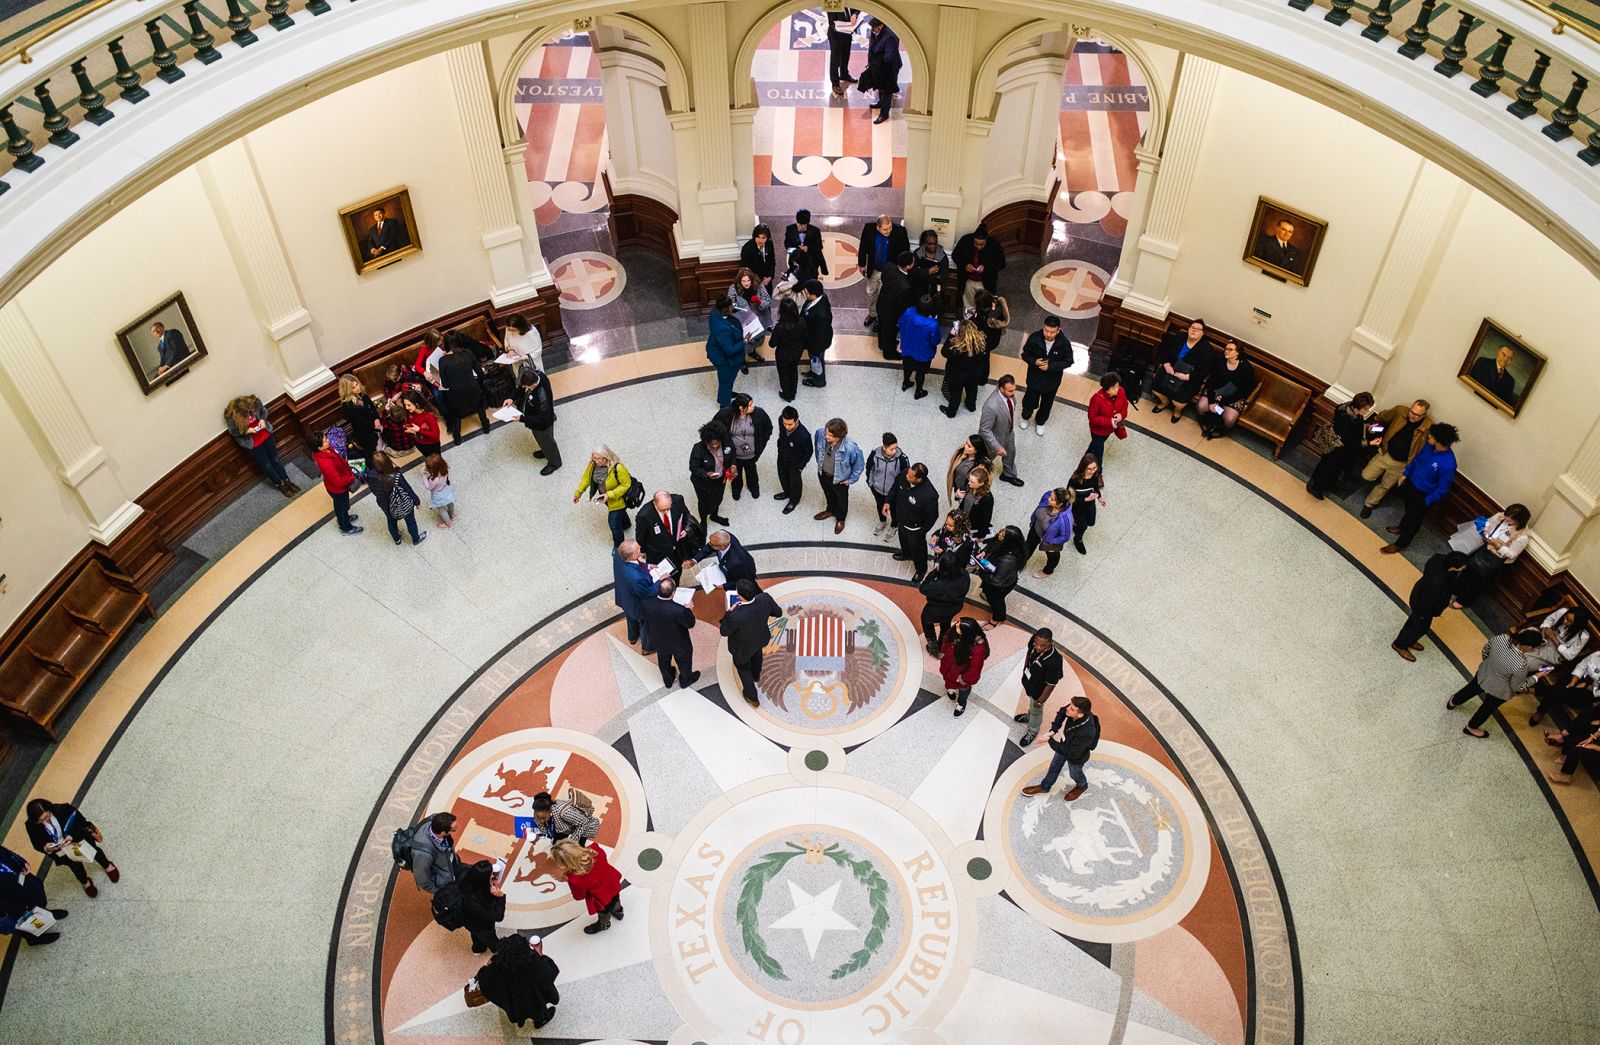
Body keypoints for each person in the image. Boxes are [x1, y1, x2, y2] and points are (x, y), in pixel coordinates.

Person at [1447, 628, 1543, 738]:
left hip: (1484, 674)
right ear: (1529, 647)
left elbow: (1485, 650)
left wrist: (1490, 665)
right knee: (1487, 707)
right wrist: (1536, 677)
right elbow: (1517, 686)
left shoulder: (1502, 638)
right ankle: (1471, 727)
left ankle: (1453, 701)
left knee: (1471, 689)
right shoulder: (1521, 665)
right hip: (1500, 690)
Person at [1380, 424, 1459, 554]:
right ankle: (1401, 527)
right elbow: (1417, 460)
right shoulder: (1429, 446)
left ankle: (1401, 544)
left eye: (1432, 436)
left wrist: (1426, 501)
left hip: (1423, 495)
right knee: (1408, 511)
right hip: (1411, 485)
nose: (1429, 436)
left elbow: (1442, 488)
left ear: (1439, 441)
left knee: (1414, 520)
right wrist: (1405, 474)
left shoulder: (1448, 464)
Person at [25, 798, 120, 897]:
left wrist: (72, 836)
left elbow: (81, 821)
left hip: (78, 838)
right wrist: (46, 848)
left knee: (94, 852)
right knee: (75, 866)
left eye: (47, 816)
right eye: (41, 820)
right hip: (61, 850)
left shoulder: (63, 809)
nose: (46, 820)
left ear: (49, 809)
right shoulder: (31, 825)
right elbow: (36, 844)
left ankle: (107, 865)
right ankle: (85, 882)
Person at [1358, 399, 1433, 517]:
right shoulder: (1400, 411)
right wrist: (1373, 426)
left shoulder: (1428, 427)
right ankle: (1377, 479)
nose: (1412, 416)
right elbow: (1382, 418)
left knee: (1385, 486)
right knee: (1366, 475)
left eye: (1417, 415)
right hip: (1385, 453)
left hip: (1401, 464)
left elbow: (1428, 449)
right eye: (1411, 412)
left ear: (1424, 415)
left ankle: (1369, 504)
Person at [472, 933, 560, 1032]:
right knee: (539, 1012)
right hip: (536, 998)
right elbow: (552, 971)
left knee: (522, 1012)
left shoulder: (495, 969)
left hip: (515, 1004)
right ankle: (540, 1021)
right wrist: (540, 953)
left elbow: (484, 979)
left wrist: (489, 965)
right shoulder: (535, 964)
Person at [1391, 551, 1470, 661]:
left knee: (1414, 622)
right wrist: (1429, 613)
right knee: (1420, 628)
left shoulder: (1438, 558)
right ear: (1453, 567)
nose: (1464, 568)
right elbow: (1427, 602)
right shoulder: (1437, 584)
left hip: (1419, 594)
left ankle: (1407, 639)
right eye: (1462, 567)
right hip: (1423, 607)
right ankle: (1400, 645)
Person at [1021, 696, 1100, 801]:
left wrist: (1049, 740)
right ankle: (1045, 786)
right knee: (1054, 766)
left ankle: (1082, 786)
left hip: (1076, 755)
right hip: (1066, 743)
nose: (1068, 708)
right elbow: (1062, 712)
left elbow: (1072, 753)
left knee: (1075, 773)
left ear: (1080, 715)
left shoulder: (1087, 732)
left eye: (1071, 709)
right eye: (1070, 705)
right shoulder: (1074, 709)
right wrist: (1053, 730)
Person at [720, 578, 782, 707]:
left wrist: (728, 612)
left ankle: (752, 696)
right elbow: (778, 612)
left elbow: (724, 631)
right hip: (760, 638)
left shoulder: (735, 615)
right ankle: (756, 676)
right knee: (757, 654)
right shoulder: (765, 598)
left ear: (739, 596)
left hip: (742, 648)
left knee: (743, 668)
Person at [1454, 504, 1532, 605]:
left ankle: (1464, 600)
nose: (1506, 520)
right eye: (1506, 517)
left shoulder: (1523, 536)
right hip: (1485, 548)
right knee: (1469, 568)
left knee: (1478, 580)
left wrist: (1497, 545)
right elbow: (1488, 523)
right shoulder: (1502, 517)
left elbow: (1512, 554)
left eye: (1510, 520)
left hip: (1496, 558)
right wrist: (1485, 529)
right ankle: (1457, 588)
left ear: (1519, 521)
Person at [224, 394, 299, 496]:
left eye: (249, 412)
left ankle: (286, 480)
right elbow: (233, 432)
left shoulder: (255, 402)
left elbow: (264, 411)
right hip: (253, 444)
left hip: (266, 436)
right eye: (245, 414)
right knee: (267, 465)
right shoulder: (232, 416)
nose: (249, 415)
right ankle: (280, 484)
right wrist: (246, 430)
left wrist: (263, 420)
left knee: (275, 460)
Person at [1307, 391, 1377, 499]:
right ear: (1357, 408)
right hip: (1337, 448)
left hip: (1343, 449)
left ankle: (1328, 485)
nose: (1367, 411)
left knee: (1335, 469)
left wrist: (1367, 428)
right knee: (1328, 468)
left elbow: (1357, 426)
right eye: (1366, 409)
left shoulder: (1351, 410)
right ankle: (1316, 488)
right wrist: (1369, 443)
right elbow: (1349, 440)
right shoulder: (1344, 417)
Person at [551, 838, 624, 934]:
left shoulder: (574, 879)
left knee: (604, 912)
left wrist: (566, 879)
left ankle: (604, 924)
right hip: (613, 884)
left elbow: (579, 896)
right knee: (616, 899)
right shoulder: (596, 849)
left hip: (601, 897)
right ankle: (618, 911)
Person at [0, 845, 67, 946]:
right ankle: (33, 938)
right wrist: (12, 907)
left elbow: (6, 853)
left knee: (35, 897)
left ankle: (43, 914)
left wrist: (22, 862)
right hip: (4, 907)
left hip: (19, 882)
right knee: (17, 923)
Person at [1149, 319, 1213, 422]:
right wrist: (1166, 364)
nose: (1194, 331)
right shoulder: (1179, 337)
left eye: (1198, 329)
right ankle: (1164, 402)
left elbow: (1205, 371)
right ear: (1189, 329)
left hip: (1189, 377)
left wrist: (1187, 377)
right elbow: (1164, 350)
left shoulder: (1206, 349)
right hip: (1170, 369)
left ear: (1202, 333)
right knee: (1156, 388)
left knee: (1179, 401)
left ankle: (1177, 410)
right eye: (1192, 328)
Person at [1011, 628, 1066, 746]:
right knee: (1031, 704)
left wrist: (1040, 701)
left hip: (1039, 691)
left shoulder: (1054, 661)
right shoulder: (1033, 642)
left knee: (1036, 710)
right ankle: (1029, 716)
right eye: (1037, 643)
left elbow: (1051, 685)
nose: (1039, 647)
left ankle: (1033, 730)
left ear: (1050, 643)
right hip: (1030, 682)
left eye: (1043, 645)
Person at [640, 579, 699, 689]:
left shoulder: (646, 603)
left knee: (663, 661)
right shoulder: (680, 610)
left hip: (659, 640)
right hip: (679, 643)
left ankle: (668, 680)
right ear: (673, 593)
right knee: (684, 661)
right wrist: (688, 609)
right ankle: (686, 680)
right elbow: (690, 623)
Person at [713, 393, 772, 501]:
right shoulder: (725, 414)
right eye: (749, 405)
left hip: (752, 454)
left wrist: (762, 441)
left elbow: (768, 427)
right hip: (734, 456)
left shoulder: (759, 413)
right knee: (735, 473)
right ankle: (736, 489)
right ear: (741, 407)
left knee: (752, 472)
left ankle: (754, 487)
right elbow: (714, 428)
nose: (753, 406)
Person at [1018, 316, 1072, 434]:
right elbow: (1025, 354)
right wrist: (1034, 362)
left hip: (1052, 380)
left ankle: (1040, 421)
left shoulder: (1064, 343)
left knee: (1047, 403)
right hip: (1034, 377)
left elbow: (1068, 361)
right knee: (1029, 400)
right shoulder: (1034, 338)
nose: (1048, 334)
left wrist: (1050, 367)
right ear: (1043, 327)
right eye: (1046, 330)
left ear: (1058, 330)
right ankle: (1025, 417)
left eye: (1052, 332)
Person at [1194, 340, 1257, 439]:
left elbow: (1245, 390)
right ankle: (1205, 423)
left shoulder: (1246, 368)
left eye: (1230, 349)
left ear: (1238, 352)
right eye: (1226, 349)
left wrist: (1220, 403)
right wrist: (1211, 402)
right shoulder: (1219, 361)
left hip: (1233, 397)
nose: (1226, 351)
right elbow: (1211, 382)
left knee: (1229, 418)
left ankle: (1221, 431)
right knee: (1201, 406)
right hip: (1215, 391)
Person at [573, 446, 634, 547]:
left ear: (606, 457)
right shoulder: (592, 465)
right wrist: (578, 493)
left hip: (618, 500)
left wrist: (609, 495)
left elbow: (626, 484)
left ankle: (619, 546)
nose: (596, 461)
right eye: (594, 458)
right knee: (620, 516)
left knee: (613, 525)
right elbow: (586, 479)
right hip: (606, 499)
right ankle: (626, 524)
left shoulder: (618, 468)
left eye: (599, 458)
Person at [888, 462, 939, 582]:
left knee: (918, 550)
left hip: (915, 529)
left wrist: (922, 531)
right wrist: (888, 501)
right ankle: (906, 554)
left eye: (911, 476)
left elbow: (932, 516)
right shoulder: (905, 473)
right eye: (908, 473)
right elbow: (895, 487)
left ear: (919, 479)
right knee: (903, 540)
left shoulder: (929, 495)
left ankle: (921, 570)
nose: (907, 476)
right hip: (902, 520)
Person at [813, 417, 864, 534]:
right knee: (828, 493)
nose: (826, 437)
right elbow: (817, 448)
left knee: (842, 500)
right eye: (826, 433)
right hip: (823, 474)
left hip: (841, 480)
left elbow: (859, 466)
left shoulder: (851, 448)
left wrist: (850, 481)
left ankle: (841, 518)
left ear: (839, 436)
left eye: (830, 435)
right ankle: (830, 510)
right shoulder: (820, 433)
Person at [506, 368, 561, 475]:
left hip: (543, 424)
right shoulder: (534, 374)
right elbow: (521, 388)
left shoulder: (542, 396)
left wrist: (521, 418)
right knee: (544, 441)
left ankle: (555, 463)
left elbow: (541, 418)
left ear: (534, 384)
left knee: (547, 441)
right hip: (536, 418)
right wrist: (511, 399)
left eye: (527, 387)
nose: (525, 388)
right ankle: (546, 451)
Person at [365, 451, 427, 546]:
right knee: (410, 521)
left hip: (384, 504)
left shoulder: (370, 475)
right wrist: (416, 501)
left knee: (391, 521)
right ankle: (416, 539)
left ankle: (397, 539)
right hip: (402, 502)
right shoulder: (396, 476)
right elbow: (408, 489)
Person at [858, 215, 910, 328]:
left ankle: (880, 318)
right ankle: (873, 314)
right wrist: (861, 264)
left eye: (890, 227)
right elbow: (863, 246)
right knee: (871, 293)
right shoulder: (869, 229)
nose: (889, 231)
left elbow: (905, 251)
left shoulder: (900, 232)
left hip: (889, 272)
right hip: (874, 269)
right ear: (878, 228)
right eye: (885, 229)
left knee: (884, 297)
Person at [438, 335, 490, 444]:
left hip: (456, 394)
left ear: (446, 344)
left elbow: (446, 384)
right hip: (472, 388)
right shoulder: (468, 353)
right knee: (480, 407)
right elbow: (480, 373)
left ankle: (457, 437)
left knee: (456, 415)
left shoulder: (443, 360)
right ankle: (485, 426)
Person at [311, 429, 363, 536]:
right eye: (325, 441)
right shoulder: (326, 464)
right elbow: (338, 482)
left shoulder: (326, 451)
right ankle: (345, 527)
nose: (328, 441)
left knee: (342, 506)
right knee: (341, 508)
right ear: (320, 448)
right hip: (338, 489)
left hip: (339, 483)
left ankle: (345, 519)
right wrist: (351, 479)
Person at [939, 315, 991, 417]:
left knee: (956, 393)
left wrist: (951, 335)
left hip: (956, 375)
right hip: (974, 373)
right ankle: (971, 406)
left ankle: (951, 412)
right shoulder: (982, 342)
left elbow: (944, 352)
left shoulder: (956, 347)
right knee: (972, 389)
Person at [918, 557, 969, 656]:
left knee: (926, 621)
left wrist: (933, 573)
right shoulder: (964, 575)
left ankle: (933, 647)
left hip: (935, 609)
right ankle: (943, 645)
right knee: (945, 623)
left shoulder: (937, 585)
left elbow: (923, 588)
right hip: (955, 607)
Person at [979, 376, 1024, 487]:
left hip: (1008, 433)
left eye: (1014, 389)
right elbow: (985, 429)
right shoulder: (991, 405)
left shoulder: (1011, 397)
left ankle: (1008, 475)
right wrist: (997, 447)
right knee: (985, 461)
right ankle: (980, 480)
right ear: (1001, 389)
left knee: (1010, 454)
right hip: (993, 440)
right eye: (1010, 390)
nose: (1014, 393)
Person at [635, 491, 699, 568]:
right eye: (662, 510)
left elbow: (686, 516)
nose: (666, 512)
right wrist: (643, 550)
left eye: (668, 508)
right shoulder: (644, 515)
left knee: (678, 568)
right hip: (659, 551)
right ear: (655, 503)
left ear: (671, 501)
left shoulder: (678, 500)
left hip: (678, 546)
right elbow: (640, 536)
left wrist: (686, 530)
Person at [940, 617, 989, 716]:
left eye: (959, 628)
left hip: (961, 674)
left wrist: (963, 679)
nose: (955, 627)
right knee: (948, 679)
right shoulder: (956, 631)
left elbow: (975, 669)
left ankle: (961, 703)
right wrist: (944, 650)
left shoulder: (978, 648)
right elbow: (946, 638)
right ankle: (950, 688)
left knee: (963, 689)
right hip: (949, 666)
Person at [978, 525, 1024, 627]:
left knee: (996, 602)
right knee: (988, 593)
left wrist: (981, 571)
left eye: (1002, 535)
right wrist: (984, 552)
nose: (999, 534)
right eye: (1001, 531)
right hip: (993, 575)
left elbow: (996, 581)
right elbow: (992, 544)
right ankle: (987, 595)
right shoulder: (1003, 543)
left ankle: (998, 618)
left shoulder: (1008, 560)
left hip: (1000, 586)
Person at [864, 433, 910, 536]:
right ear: (884, 448)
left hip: (894, 493)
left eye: (896, 448)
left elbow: (906, 477)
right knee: (880, 506)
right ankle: (882, 521)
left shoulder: (902, 459)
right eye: (891, 449)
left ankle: (894, 526)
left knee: (894, 510)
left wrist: (900, 491)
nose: (894, 451)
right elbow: (869, 469)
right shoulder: (874, 455)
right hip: (878, 489)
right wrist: (871, 484)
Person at [613, 540, 656, 651]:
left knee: (630, 617)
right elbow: (648, 592)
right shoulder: (637, 578)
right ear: (634, 556)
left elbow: (637, 564)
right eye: (638, 549)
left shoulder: (618, 555)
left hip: (625, 598)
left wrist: (648, 566)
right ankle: (647, 647)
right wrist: (660, 581)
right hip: (638, 605)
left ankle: (632, 637)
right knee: (645, 624)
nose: (640, 547)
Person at [689, 422, 734, 528]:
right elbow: (693, 467)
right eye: (711, 444)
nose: (714, 446)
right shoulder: (698, 448)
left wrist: (733, 465)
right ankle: (703, 522)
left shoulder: (726, 443)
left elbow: (732, 455)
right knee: (703, 503)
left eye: (717, 443)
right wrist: (706, 473)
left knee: (718, 498)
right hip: (703, 482)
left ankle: (714, 516)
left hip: (720, 479)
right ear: (706, 440)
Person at [1024, 488, 1075, 578]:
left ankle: (1048, 571)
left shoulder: (1065, 519)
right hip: (1036, 529)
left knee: (1052, 556)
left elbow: (1065, 537)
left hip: (1050, 540)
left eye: (1052, 499)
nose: (1048, 498)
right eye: (1051, 496)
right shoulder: (1047, 496)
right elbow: (1040, 507)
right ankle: (1022, 561)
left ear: (1059, 504)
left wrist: (1050, 540)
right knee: (1028, 546)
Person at [952, 224, 1006, 309]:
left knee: (984, 306)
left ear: (986, 240)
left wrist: (987, 268)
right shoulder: (965, 240)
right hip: (968, 281)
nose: (978, 247)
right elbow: (955, 255)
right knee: (969, 305)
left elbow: (1002, 263)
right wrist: (964, 265)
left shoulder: (994, 245)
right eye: (976, 244)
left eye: (982, 245)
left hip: (985, 283)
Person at [459, 859, 506, 954]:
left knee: (476, 935)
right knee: (491, 939)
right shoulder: (476, 903)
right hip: (483, 926)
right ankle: (497, 951)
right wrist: (500, 898)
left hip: (469, 922)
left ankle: (477, 949)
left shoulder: (466, 879)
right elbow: (498, 916)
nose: (493, 876)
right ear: (483, 881)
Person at [896, 295, 939, 398]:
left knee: (907, 366)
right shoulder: (932, 324)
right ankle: (918, 391)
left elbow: (900, 324)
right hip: (923, 353)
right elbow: (935, 341)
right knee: (920, 373)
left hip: (907, 347)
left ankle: (906, 382)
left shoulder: (909, 312)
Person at [706, 296, 746, 407]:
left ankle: (727, 393)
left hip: (715, 351)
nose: (732, 307)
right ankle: (724, 404)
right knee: (726, 381)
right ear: (726, 309)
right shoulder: (723, 329)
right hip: (725, 360)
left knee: (726, 379)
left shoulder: (714, 313)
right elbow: (730, 350)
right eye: (731, 306)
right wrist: (744, 341)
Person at [875, 251, 915, 359]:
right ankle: (889, 353)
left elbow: (883, 279)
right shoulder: (905, 286)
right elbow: (900, 306)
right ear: (908, 266)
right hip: (891, 312)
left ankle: (882, 344)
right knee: (889, 332)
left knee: (881, 326)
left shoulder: (889, 267)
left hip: (881, 302)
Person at [861, 17, 901, 124]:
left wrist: (877, 65)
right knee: (880, 87)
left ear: (881, 25)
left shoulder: (890, 37)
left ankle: (884, 114)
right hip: (878, 66)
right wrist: (871, 63)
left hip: (888, 69)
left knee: (886, 91)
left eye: (874, 28)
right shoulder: (876, 32)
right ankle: (880, 102)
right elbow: (872, 48)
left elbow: (888, 57)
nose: (873, 31)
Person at [409, 812, 461, 894]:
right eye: (454, 829)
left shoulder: (437, 822)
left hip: (450, 864)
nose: (456, 829)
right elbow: (422, 878)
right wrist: (438, 893)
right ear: (443, 833)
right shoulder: (424, 854)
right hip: (443, 882)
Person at [1086, 372, 1130, 468]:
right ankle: (1098, 471)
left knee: (1094, 446)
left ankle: (1085, 460)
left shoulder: (1121, 391)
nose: (1117, 389)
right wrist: (1110, 421)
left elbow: (1125, 404)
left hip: (1110, 429)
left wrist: (1121, 415)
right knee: (1098, 452)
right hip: (1098, 431)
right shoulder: (1097, 399)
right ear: (1106, 389)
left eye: (1117, 386)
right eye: (1113, 388)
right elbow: (1092, 418)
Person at [729, 268, 773, 361]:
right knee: (745, 340)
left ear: (752, 279)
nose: (746, 283)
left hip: (759, 318)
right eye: (743, 281)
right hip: (744, 320)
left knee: (759, 338)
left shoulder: (759, 285)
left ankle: (751, 352)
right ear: (739, 280)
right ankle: (742, 360)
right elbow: (730, 303)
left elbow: (768, 301)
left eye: (748, 280)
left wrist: (759, 302)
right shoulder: (734, 288)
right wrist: (739, 309)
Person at [527, 791, 601, 845]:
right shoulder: (537, 812)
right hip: (562, 828)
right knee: (557, 846)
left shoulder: (564, 812)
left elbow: (583, 822)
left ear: (550, 810)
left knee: (577, 850)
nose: (541, 821)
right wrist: (538, 836)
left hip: (582, 826)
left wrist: (572, 841)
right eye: (538, 817)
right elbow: (543, 829)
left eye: (543, 818)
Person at [775, 406, 811, 515]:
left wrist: (801, 466)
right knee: (782, 476)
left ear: (797, 420)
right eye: (785, 423)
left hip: (795, 463)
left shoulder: (804, 435)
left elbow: (809, 452)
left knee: (795, 482)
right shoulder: (781, 420)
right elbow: (781, 435)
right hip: (782, 456)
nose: (786, 426)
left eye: (790, 424)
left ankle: (794, 500)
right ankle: (786, 492)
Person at [770, 296, 807, 402]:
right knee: (793, 371)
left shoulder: (779, 327)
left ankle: (787, 395)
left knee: (783, 374)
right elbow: (805, 337)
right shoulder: (802, 322)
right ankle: (793, 392)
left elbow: (772, 344)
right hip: (796, 353)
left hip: (782, 355)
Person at [338, 375, 382, 462]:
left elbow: (372, 407)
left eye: (357, 384)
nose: (357, 388)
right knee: (370, 451)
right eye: (353, 388)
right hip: (364, 432)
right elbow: (360, 422)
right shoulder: (348, 405)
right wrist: (374, 425)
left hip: (372, 425)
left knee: (376, 444)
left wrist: (376, 418)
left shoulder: (361, 393)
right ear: (348, 390)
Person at [1067, 454, 1105, 555]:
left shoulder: (1095, 474)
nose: (1093, 471)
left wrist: (1099, 497)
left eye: (1095, 468)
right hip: (1078, 508)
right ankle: (1078, 540)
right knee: (1083, 527)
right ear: (1083, 467)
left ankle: (1076, 526)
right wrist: (1086, 499)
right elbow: (1070, 498)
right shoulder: (1074, 480)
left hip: (1090, 505)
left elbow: (1095, 487)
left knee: (1091, 522)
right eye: (1089, 469)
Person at [801, 280, 834, 387]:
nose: (804, 295)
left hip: (817, 343)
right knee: (814, 360)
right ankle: (813, 372)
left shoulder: (821, 315)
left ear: (814, 295)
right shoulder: (821, 297)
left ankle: (818, 381)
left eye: (806, 293)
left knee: (817, 360)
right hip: (812, 339)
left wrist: (815, 349)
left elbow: (820, 335)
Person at [946, 434, 992, 505]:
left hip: (967, 494)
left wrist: (965, 496)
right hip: (958, 487)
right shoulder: (961, 452)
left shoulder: (981, 467)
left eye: (969, 446)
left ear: (976, 450)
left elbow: (983, 484)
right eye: (966, 443)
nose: (965, 447)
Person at [909, 230, 949, 311]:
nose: (932, 246)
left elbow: (944, 275)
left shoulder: (942, 255)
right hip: (918, 289)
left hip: (934, 290)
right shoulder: (918, 253)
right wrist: (928, 271)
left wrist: (926, 276)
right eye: (929, 244)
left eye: (935, 243)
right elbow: (912, 271)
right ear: (924, 243)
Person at [825, 6, 860, 96]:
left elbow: (858, 7)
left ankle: (844, 74)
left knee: (845, 55)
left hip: (847, 34)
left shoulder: (849, 2)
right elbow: (832, 23)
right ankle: (835, 83)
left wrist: (855, 14)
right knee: (835, 60)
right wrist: (843, 28)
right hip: (836, 36)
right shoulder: (832, 4)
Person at [931, 510, 978, 575]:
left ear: (959, 527)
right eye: (946, 522)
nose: (946, 526)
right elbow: (941, 530)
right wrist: (935, 535)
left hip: (953, 570)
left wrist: (942, 553)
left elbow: (958, 562)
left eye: (950, 526)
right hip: (941, 562)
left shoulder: (967, 543)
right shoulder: (947, 528)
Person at [956, 464, 995, 539]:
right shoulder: (971, 487)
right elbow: (964, 501)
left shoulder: (987, 499)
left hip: (973, 525)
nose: (969, 483)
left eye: (972, 482)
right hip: (964, 517)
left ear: (981, 483)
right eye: (969, 480)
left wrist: (980, 535)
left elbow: (985, 519)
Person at [400, 391, 442, 458]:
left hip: (431, 445)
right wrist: (408, 428)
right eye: (405, 405)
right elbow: (408, 422)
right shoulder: (410, 412)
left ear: (416, 403)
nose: (406, 407)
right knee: (427, 458)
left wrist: (419, 430)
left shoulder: (428, 416)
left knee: (436, 462)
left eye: (409, 405)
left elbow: (436, 436)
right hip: (418, 442)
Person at [783, 209, 826, 275]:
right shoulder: (790, 229)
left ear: (807, 223)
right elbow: (787, 245)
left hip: (811, 266)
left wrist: (808, 248)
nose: (800, 227)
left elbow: (819, 246)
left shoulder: (815, 231)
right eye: (798, 224)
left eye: (803, 225)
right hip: (795, 264)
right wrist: (797, 250)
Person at [421, 453, 456, 530]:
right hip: (446, 489)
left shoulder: (434, 479)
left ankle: (449, 524)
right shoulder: (445, 469)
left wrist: (424, 476)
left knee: (442, 510)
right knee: (450, 503)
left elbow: (429, 487)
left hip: (438, 495)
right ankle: (452, 515)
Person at [741, 224, 777, 291]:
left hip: (767, 282)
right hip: (754, 285)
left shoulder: (769, 244)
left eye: (763, 238)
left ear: (767, 238)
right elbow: (746, 269)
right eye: (758, 237)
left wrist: (769, 277)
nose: (760, 240)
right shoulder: (747, 248)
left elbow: (772, 260)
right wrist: (757, 280)